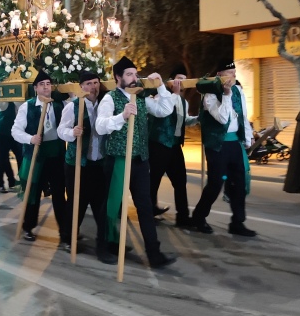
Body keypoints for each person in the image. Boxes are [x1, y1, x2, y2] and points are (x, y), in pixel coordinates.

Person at [95, 56, 177, 268]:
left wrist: (161, 87)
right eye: (129, 74)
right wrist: (122, 116)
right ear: (118, 77)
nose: (134, 78)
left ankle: (154, 253)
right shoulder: (110, 98)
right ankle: (104, 245)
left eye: (135, 74)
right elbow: (100, 126)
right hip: (118, 159)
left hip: (140, 160)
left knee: (145, 206)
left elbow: (165, 110)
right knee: (112, 205)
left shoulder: (141, 98)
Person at [191, 60, 256, 237]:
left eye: (234, 72)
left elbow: (242, 115)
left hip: (235, 142)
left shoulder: (238, 90)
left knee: (238, 183)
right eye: (229, 72)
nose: (233, 75)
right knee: (216, 183)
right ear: (219, 75)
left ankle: (237, 222)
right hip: (217, 145)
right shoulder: (209, 94)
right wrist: (226, 95)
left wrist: (248, 136)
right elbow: (222, 118)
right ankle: (199, 216)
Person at [11, 70, 66, 243]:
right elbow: (15, 131)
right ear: (35, 88)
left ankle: (65, 232)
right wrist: (30, 139)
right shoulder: (27, 107)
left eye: (48, 84)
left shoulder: (59, 105)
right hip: (36, 156)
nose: (46, 87)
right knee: (33, 193)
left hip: (56, 156)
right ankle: (28, 226)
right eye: (42, 85)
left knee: (59, 194)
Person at [57, 70, 106, 252]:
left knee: (101, 204)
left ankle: (106, 240)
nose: (93, 87)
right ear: (81, 87)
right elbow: (61, 130)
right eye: (88, 84)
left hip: (98, 163)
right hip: (77, 163)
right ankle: (68, 238)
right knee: (77, 203)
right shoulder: (73, 107)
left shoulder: (104, 105)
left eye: (96, 83)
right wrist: (72, 132)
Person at [149, 71, 199, 228]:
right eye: (178, 79)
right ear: (171, 82)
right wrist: (175, 94)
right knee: (153, 181)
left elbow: (184, 120)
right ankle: (149, 213)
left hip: (175, 146)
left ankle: (182, 217)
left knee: (180, 181)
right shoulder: (161, 97)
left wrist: (198, 119)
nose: (181, 83)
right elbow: (164, 111)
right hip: (159, 144)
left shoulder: (184, 102)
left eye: (184, 80)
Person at [0, 102, 22, 193]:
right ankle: (0, 184)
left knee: (20, 157)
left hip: (15, 133)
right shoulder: (4, 103)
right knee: (2, 159)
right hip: (3, 134)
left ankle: (21, 181)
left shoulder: (19, 103)